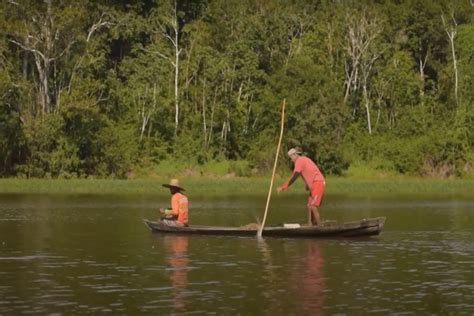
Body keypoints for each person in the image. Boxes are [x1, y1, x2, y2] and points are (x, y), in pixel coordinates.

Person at [277, 148, 325, 226]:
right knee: (309, 206)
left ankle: (320, 227)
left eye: (291, 158)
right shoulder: (303, 160)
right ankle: (310, 225)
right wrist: (307, 184)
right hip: (313, 185)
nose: (291, 160)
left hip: (318, 182)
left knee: (313, 206)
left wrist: (283, 187)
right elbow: (308, 171)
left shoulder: (300, 161)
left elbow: (295, 176)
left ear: (295, 155)